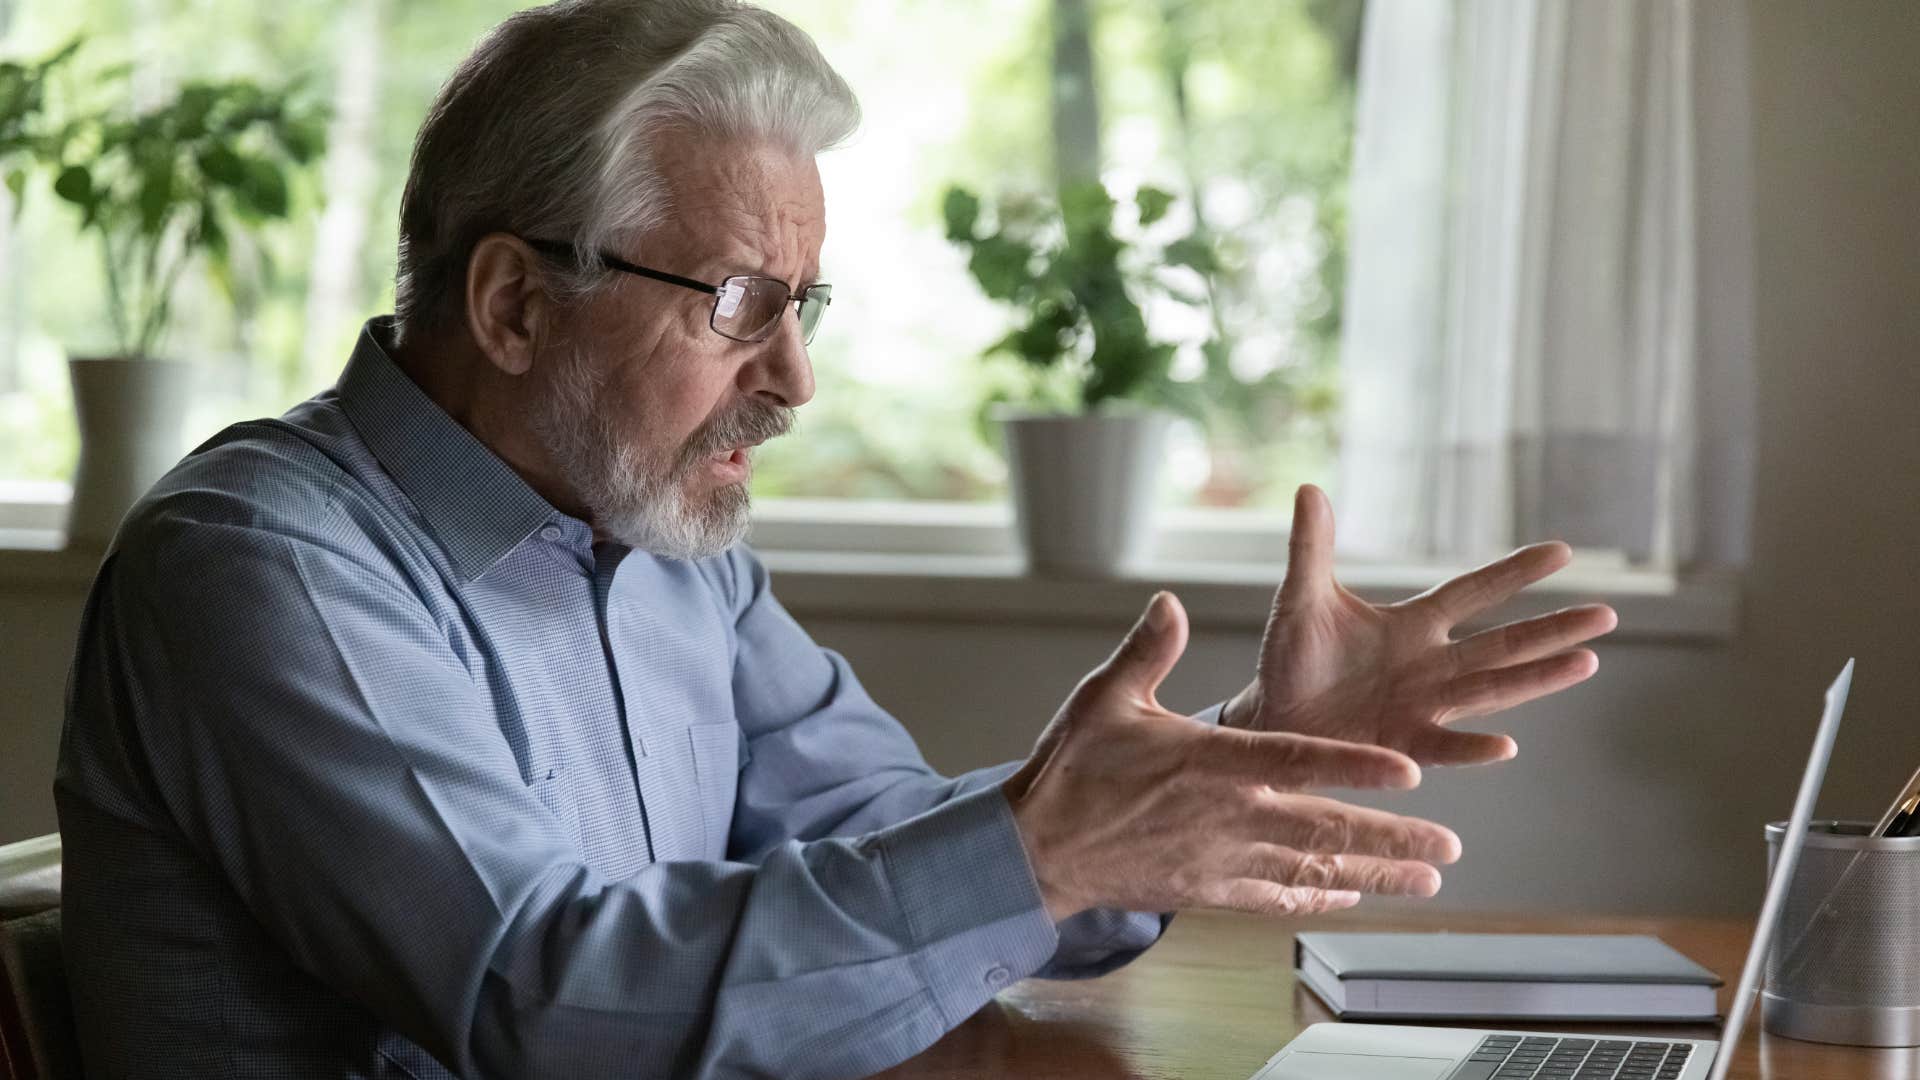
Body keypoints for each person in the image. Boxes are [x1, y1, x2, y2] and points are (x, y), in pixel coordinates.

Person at [53, 1, 1618, 1077]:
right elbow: (544, 1004)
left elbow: (877, 836)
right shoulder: (261, 565)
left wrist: (1239, 754)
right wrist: (1050, 846)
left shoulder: (671, 545)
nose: (793, 376)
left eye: (803, 308)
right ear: (515, 304)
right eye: (737, 303)